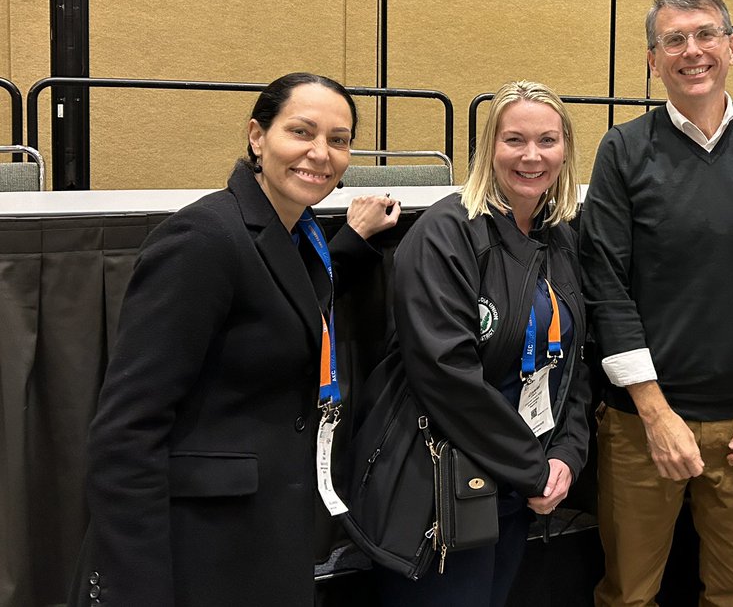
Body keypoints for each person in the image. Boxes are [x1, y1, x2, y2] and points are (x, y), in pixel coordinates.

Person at [73, 72, 399, 607]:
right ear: (257, 136)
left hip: (269, 535)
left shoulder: (297, 234)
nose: (320, 153)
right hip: (196, 550)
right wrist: (137, 587)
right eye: (301, 132)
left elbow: (286, 301)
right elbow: (127, 431)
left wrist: (354, 242)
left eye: (338, 140)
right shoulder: (202, 238)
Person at [580, 0, 733, 606]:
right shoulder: (623, 149)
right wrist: (655, 413)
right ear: (652, 59)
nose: (693, 51)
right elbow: (606, 287)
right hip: (643, 425)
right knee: (629, 594)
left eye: (706, 35)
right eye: (674, 40)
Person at [373, 80, 590, 607]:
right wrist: (535, 468)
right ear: (488, 147)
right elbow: (448, 377)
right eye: (514, 139)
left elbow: (576, 360)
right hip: (445, 487)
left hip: (518, 484)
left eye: (548, 140)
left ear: (566, 150)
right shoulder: (446, 234)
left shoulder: (559, 235)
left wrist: (567, 451)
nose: (532, 156)